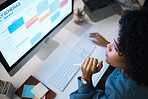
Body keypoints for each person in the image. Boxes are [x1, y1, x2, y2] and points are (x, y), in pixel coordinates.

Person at [70, 7, 148, 99]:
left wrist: (86, 78)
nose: (108, 46)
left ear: (134, 59)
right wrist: (111, 45)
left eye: (115, 47)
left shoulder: (122, 95)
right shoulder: (141, 65)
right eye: (113, 41)